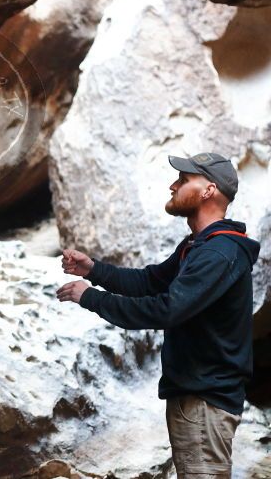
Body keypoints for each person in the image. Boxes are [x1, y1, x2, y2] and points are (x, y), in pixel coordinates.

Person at [56, 153, 260, 478]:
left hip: (205, 402)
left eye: (183, 180)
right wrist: (94, 270)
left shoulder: (219, 253)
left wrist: (91, 297)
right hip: (194, 398)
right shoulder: (198, 246)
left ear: (208, 190)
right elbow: (149, 282)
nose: (173, 185)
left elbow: (167, 309)